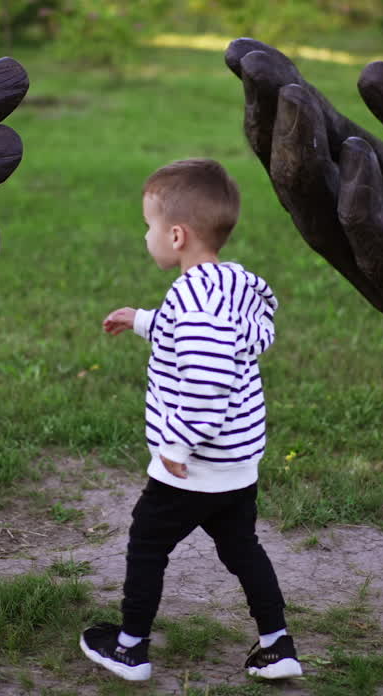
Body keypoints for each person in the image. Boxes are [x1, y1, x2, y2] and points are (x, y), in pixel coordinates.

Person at [79, 158, 301, 682]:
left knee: (147, 544)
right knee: (242, 548)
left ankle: (130, 648)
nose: (146, 236)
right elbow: (201, 340)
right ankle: (276, 642)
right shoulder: (228, 287)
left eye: (148, 225)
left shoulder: (195, 302)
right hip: (235, 465)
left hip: (192, 465)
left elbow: (206, 382)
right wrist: (142, 321)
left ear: (176, 235)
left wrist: (176, 446)